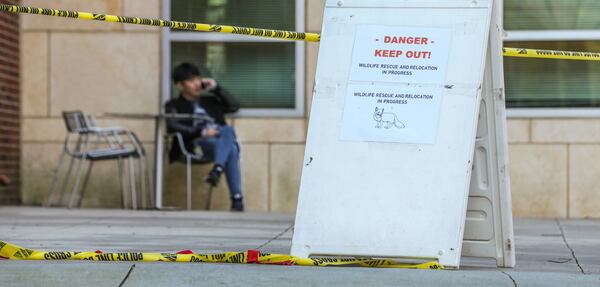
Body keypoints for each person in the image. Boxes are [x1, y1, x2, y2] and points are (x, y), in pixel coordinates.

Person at [165, 63, 244, 211]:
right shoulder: (174, 104)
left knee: (227, 131)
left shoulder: (210, 102)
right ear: (180, 86)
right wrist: (200, 132)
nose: (196, 84)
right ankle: (236, 199)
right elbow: (172, 125)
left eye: (197, 79)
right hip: (197, 144)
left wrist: (216, 88)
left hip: (219, 142)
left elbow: (234, 106)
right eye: (190, 80)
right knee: (231, 146)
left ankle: (217, 170)